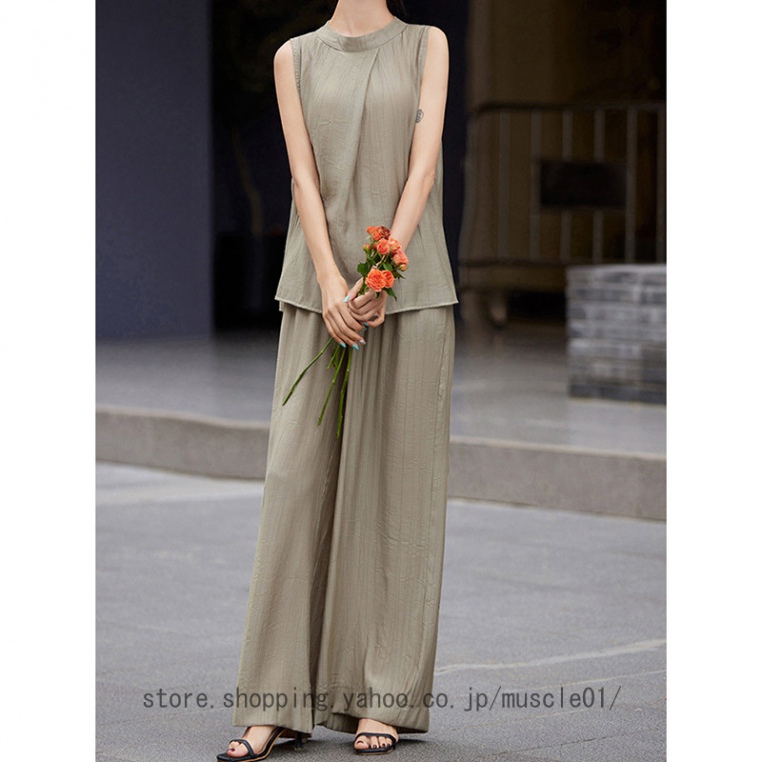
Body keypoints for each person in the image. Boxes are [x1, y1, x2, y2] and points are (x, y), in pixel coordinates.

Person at [217, 0, 458, 758]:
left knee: (396, 496)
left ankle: (380, 698)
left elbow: (423, 166)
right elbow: (302, 176)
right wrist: (329, 280)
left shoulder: (427, 44)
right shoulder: (294, 56)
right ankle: (274, 702)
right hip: (316, 295)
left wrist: (384, 270)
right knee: (294, 484)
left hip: (408, 293)